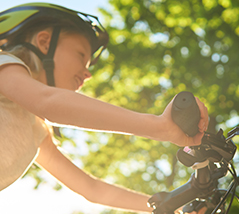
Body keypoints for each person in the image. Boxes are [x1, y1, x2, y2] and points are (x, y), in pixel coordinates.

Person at [0, 3, 209, 214]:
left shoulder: (36, 130)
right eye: (81, 55)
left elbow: (92, 189)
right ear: (45, 43)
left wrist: (176, 207)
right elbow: (47, 102)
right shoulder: (3, 63)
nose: (87, 73)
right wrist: (159, 127)